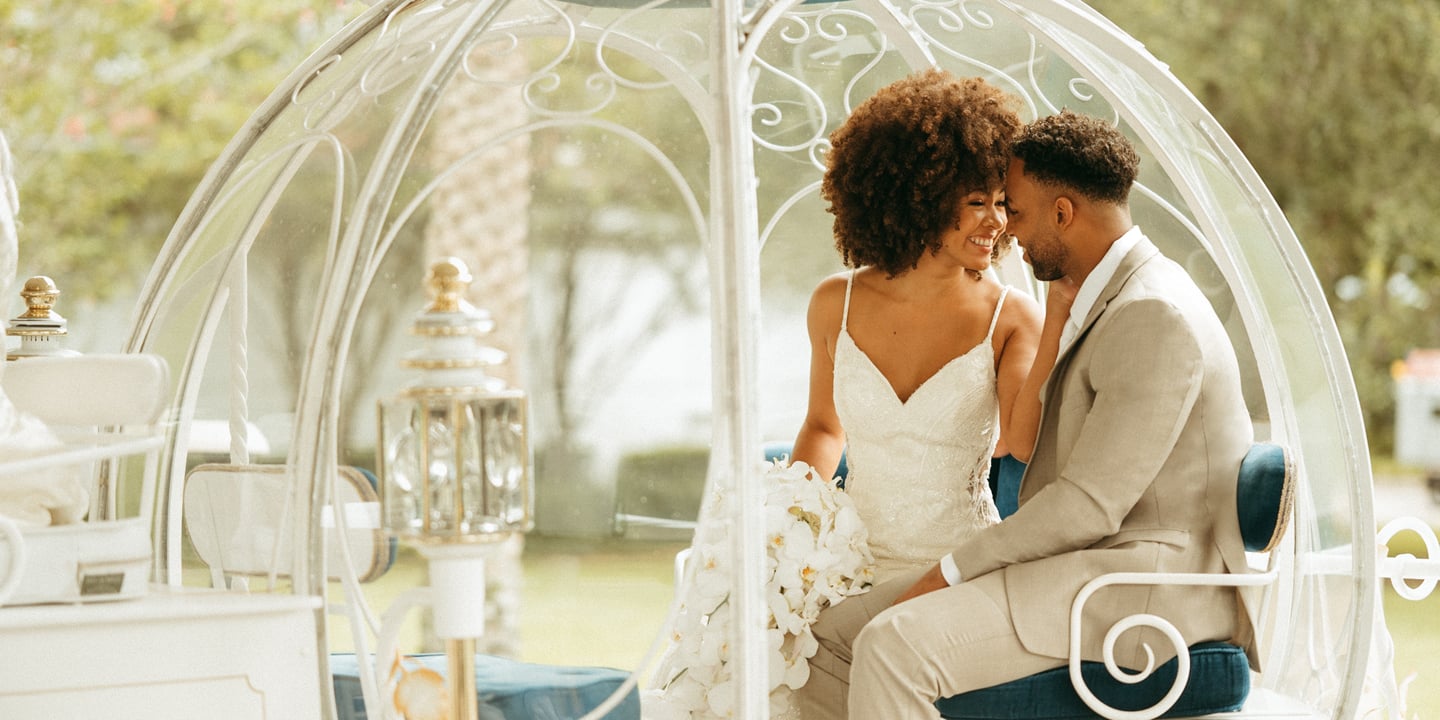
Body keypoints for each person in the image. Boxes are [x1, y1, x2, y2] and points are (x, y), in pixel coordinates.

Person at [799, 110, 1259, 719]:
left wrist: (953, 569)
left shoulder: (1152, 313)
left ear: (1062, 213)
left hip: (1136, 591)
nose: (1006, 229)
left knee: (891, 644)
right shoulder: (1108, 295)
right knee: (826, 640)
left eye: (1012, 207)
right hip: (1078, 566)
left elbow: (1089, 506)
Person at [790, 68, 1043, 585]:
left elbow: (1021, 444)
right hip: (846, 568)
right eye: (977, 201)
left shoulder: (1012, 318)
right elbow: (822, 428)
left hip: (959, 574)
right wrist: (791, 537)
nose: (996, 222)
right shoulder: (833, 302)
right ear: (917, 196)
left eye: (1003, 202)